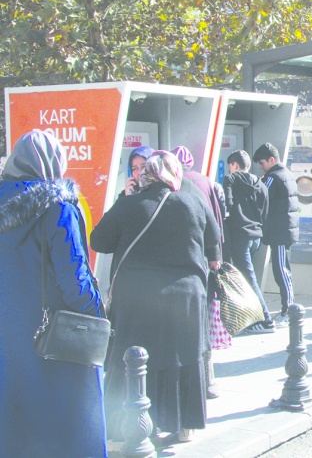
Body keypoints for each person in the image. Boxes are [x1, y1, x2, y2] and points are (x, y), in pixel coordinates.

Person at [91, 151, 220, 444]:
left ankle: (128, 425)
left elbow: (98, 241)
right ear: (174, 174)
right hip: (186, 298)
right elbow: (214, 241)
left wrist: (124, 200)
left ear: (144, 176)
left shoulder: (129, 205)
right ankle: (183, 425)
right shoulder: (193, 202)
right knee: (182, 358)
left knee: (134, 360)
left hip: (138, 299)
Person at [0, 130, 107, 457]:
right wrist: (99, 313)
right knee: (67, 430)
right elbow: (76, 282)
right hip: (53, 340)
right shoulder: (58, 204)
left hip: (7, 339)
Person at [223, 149, 273, 332]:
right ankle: (251, 319)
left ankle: (266, 320)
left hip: (239, 235)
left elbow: (226, 205)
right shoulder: (261, 184)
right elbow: (265, 212)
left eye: (230, 166)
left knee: (248, 278)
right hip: (255, 237)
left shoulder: (230, 179)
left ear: (235, 165)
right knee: (246, 277)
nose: (230, 170)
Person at [253, 143, 299, 326]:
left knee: (281, 271)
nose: (261, 167)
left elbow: (260, 197)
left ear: (272, 160)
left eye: (263, 163)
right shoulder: (286, 174)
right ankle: (288, 308)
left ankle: (288, 310)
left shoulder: (273, 177)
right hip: (285, 229)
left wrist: (259, 182)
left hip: (279, 231)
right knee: (284, 269)